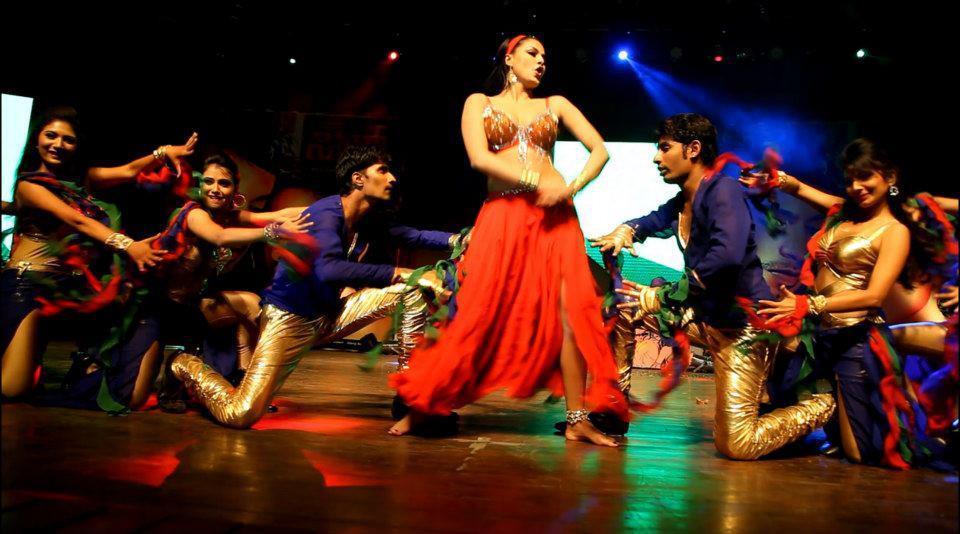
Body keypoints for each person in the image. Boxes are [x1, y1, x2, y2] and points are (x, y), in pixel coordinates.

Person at [389, 35, 626, 446]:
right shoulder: (478, 102)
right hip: (503, 216)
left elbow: (600, 151)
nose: (541, 61)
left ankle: (577, 419)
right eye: (533, 53)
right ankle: (425, 404)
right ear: (509, 58)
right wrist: (536, 181)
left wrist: (569, 188)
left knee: (572, 314)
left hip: (555, 219)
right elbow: (479, 158)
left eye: (545, 56)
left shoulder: (555, 104)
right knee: (476, 309)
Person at [165, 145, 459, 428]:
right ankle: (181, 363)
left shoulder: (367, 219)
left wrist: (458, 240)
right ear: (358, 179)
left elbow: (412, 235)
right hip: (289, 320)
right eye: (383, 170)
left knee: (413, 290)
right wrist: (396, 272)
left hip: (329, 315)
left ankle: (409, 399)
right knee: (240, 414)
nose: (392, 178)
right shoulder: (325, 214)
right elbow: (329, 269)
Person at [596, 113, 836, 459]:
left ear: (693, 149)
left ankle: (823, 405)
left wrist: (663, 296)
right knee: (622, 305)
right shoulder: (684, 199)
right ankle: (613, 414)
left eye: (664, 148)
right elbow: (652, 220)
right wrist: (626, 231)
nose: (656, 158)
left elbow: (727, 257)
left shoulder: (723, 190)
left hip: (742, 330)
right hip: (702, 317)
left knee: (738, 445)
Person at [755, 147, 957, 466]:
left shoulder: (895, 231)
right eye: (850, 180)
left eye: (865, 177)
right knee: (782, 396)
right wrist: (779, 180)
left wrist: (810, 304)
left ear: (889, 178)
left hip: (855, 338)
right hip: (821, 336)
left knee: (861, 452)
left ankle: (945, 444)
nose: (856, 187)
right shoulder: (843, 214)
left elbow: (874, 296)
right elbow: (804, 190)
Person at [1, 106, 168, 404]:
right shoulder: (29, 185)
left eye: (68, 139)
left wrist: (163, 153)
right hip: (27, 286)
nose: (58, 144)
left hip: (67, 290)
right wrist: (129, 245)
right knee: (13, 389)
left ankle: (89, 367)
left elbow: (129, 171)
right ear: (36, 140)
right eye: (51, 136)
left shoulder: (80, 182)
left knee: (131, 299)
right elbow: (77, 221)